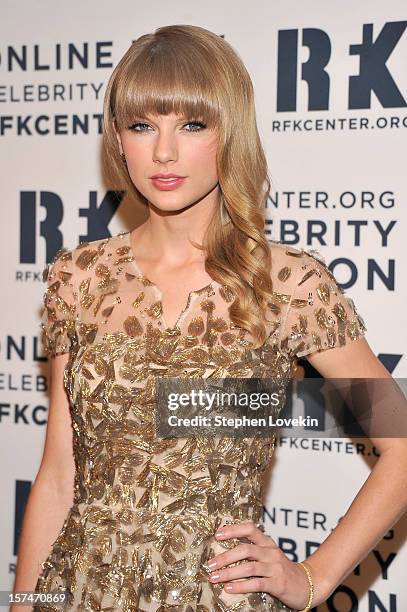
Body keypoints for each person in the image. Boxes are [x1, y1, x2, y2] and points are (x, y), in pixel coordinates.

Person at [13, 24, 407, 612]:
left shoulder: (287, 284)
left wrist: (313, 578)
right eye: (142, 125)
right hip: (82, 592)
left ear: (230, 134)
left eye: (192, 125)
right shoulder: (81, 278)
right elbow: (58, 475)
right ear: (118, 140)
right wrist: (28, 605)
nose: (163, 151)